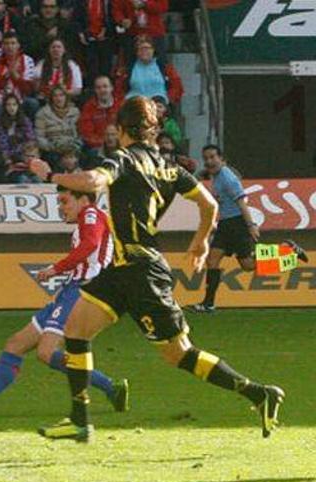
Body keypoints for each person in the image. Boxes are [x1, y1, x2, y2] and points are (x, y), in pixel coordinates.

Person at [28, 96, 285, 442]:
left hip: (141, 273)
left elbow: (92, 181)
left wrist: (52, 174)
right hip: (121, 270)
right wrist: (201, 242)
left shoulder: (123, 159)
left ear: (121, 130)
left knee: (179, 354)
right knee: (76, 330)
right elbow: (208, 203)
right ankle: (80, 419)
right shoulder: (167, 166)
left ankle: (259, 393)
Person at [0, 186, 129, 416]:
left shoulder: (91, 214)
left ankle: (110, 386)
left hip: (80, 292)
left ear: (83, 200)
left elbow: (90, 244)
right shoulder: (87, 218)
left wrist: (55, 269)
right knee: (16, 344)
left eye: (65, 201)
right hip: (69, 292)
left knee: (46, 352)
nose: (61, 208)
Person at [188, 145, 308, 313]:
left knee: (248, 265)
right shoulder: (215, 177)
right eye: (206, 158)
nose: (209, 161)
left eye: (212, 157)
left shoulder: (228, 179)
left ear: (222, 159)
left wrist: (250, 225)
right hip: (226, 225)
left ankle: (288, 251)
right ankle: (208, 304)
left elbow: (242, 203)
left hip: (237, 224)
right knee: (212, 261)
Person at [0, 33, 37, 119]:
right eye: (6, 43)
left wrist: (16, 76)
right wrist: (7, 74)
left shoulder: (28, 60)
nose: (10, 46)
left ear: (18, 45)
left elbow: (29, 90)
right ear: (2, 46)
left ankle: (28, 130)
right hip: (0, 100)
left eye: (13, 43)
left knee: (33, 103)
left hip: (21, 99)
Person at [116, 36, 182, 105]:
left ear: (153, 50)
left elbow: (177, 86)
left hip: (159, 104)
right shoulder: (128, 69)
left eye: (147, 48)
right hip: (135, 104)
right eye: (141, 49)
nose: (144, 51)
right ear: (137, 52)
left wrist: (168, 99)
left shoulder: (165, 67)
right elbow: (119, 88)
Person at [34, 84, 80, 165]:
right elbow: (39, 137)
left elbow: (80, 134)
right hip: (53, 150)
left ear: (66, 97)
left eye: (61, 95)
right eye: (55, 96)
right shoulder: (42, 113)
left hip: (72, 148)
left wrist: (75, 145)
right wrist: (51, 147)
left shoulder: (75, 112)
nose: (58, 99)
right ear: (51, 98)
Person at [73, 0, 115, 87]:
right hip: (88, 42)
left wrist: (105, 30)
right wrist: (81, 33)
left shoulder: (107, 2)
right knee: (91, 70)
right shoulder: (81, 2)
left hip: (105, 40)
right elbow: (76, 19)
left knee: (105, 69)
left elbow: (112, 18)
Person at [78, 75, 120, 152]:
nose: (102, 90)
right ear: (95, 90)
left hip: (120, 145)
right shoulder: (88, 107)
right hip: (97, 148)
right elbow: (86, 133)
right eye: (98, 88)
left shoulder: (121, 105)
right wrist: (105, 143)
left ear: (111, 88)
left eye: (105, 86)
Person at [0, 94, 35, 167]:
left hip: (24, 153)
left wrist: (25, 153)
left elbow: (30, 139)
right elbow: (3, 144)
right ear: (4, 107)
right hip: (8, 155)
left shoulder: (25, 120)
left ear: (18, 106)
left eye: (14, 104)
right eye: (8, 105)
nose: (11, 107)